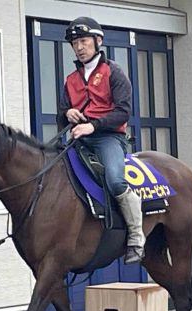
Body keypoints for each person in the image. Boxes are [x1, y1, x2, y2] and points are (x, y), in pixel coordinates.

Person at [57, 16, 145, 264]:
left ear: (97, 41)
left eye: (83, 41)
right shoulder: (70, 80)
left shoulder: (113, 72)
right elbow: (61, 118)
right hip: (78, 138)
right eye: (75, 43)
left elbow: (123, 111)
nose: (79, 47)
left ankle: (136, 238)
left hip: (108, 138)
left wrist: (92, 126)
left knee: (116, 181)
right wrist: (67, 114)